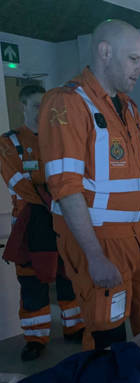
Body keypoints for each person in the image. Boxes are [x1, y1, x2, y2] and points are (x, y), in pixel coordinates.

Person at [38, 20, 140, 351]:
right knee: (109, 339)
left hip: (136, 238)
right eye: (134, 59)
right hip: (100, 242)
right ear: (105, 53)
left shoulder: (128, 107)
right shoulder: (67, 104)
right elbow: (66, 187)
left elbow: (129, 167)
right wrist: (94, 256)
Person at [0, 85, 84, 361]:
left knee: (69, 276)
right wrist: (56, 193)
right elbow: (20, 185)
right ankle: (35, 338)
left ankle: (75, 327)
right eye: (36, 105)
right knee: (32, 283)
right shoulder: (8, 143)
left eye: (45, 105)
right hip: (29, 227)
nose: (41, 111)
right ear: (23, 106)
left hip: (64, 222)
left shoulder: (60, 140)